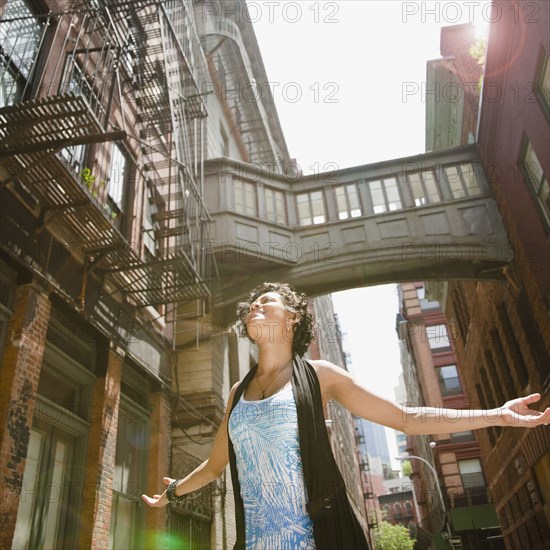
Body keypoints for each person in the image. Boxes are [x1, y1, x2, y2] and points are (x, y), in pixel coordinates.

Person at [142, 282, 550, 550]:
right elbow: (216, 465)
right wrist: (175, 489)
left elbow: (406, 417)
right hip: (253, 541)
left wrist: (495, 415)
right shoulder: (237, 392)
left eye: (267, 302)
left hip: (315, 537)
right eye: (252, 304)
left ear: (293, 317)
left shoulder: (321, 376)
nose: (255, 306)